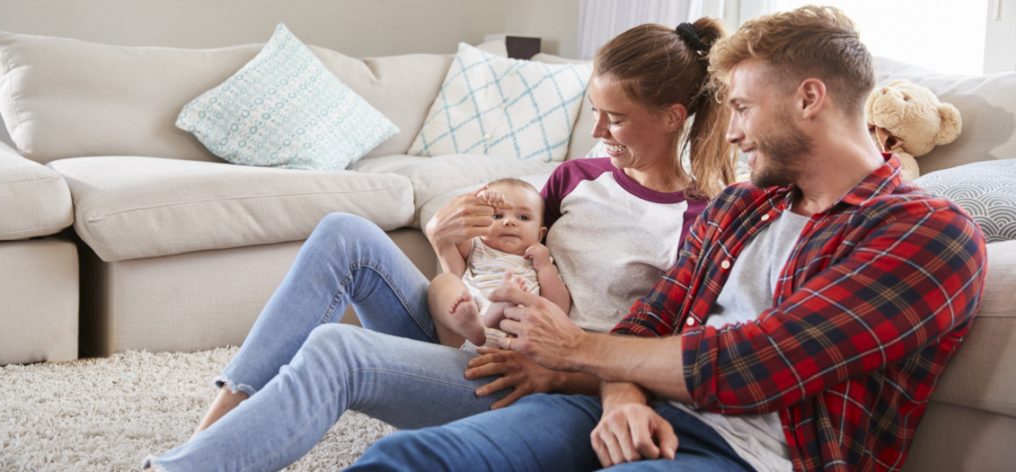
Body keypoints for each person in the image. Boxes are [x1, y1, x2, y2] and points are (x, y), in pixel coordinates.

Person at [348, 6, 988, 472]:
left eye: (741, 107)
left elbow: (758, 365)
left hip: (755, 456)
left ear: (809, 98)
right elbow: (651, 318)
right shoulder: (742, 205)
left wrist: (575, 349)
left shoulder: (929, 234)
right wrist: (620, 396)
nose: (731, 134)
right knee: (408, 457)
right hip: (628, 408)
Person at [144, 19, 734, 471]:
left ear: (673, 117)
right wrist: (442, 249)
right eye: (596, 114)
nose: (599, 132)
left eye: (616, 119)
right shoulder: (575, 178)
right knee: (343, 233)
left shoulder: (698, 221)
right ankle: (208, 440)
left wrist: (563, 366)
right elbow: (490, 264)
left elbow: (655, 352)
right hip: (476, 325)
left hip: (520, 374)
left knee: (337, 349)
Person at [428, 178, 569, 349]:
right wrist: (480, 202)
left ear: (540, 234)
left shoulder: (538, 260)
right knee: (443, 282)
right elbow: (456, 233)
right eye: (497, 216)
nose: (508, 222)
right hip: (470, 329)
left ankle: (501, 307)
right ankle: (468, 322)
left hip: (516, 332)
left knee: (515, 300)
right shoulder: (477, 246)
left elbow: (559, 306)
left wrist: (545, 266)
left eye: (523, 217)